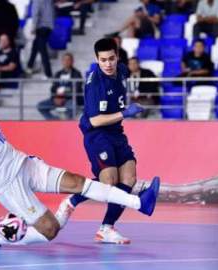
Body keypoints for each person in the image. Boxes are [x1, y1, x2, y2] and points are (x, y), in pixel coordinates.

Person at [0, 75, 160, 249]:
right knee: (50, 229)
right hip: (7, 184)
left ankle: (140, 203)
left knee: (77, 182)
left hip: (24, 164)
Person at [55, 38, 149, 244]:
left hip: (116, 132)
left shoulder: (122, 70)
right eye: (103, 60)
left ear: (117, 57)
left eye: (111, 59)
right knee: (108, 183)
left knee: (129, 178)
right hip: (97, 134)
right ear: (97, 59)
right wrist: (125, 112)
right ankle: (73, 199)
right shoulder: (95, 83)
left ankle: (106, 228)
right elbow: (95, 120)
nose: (108, 64)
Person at [37, 52, 83, 120]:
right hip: (57, 98)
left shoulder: (77, 74)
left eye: (68, 60)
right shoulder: (58, 74)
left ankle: (66, 123)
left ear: (72, 61)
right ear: (62, 61)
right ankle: (55, 121)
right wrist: (56, 97)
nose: (66, 62)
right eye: (64, 60)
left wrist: (64, 97)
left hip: (70, 99)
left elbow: (76, 89)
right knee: (41, 106)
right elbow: (53, 88)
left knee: (72, 107)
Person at [26, 0, 54, 78]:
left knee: (42, 50)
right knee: (35, 47)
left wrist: (33, 27)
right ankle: (29, 67)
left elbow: (36, 14)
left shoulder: (37, 1)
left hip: (41, 27)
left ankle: (48, 73)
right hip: (48, 26)